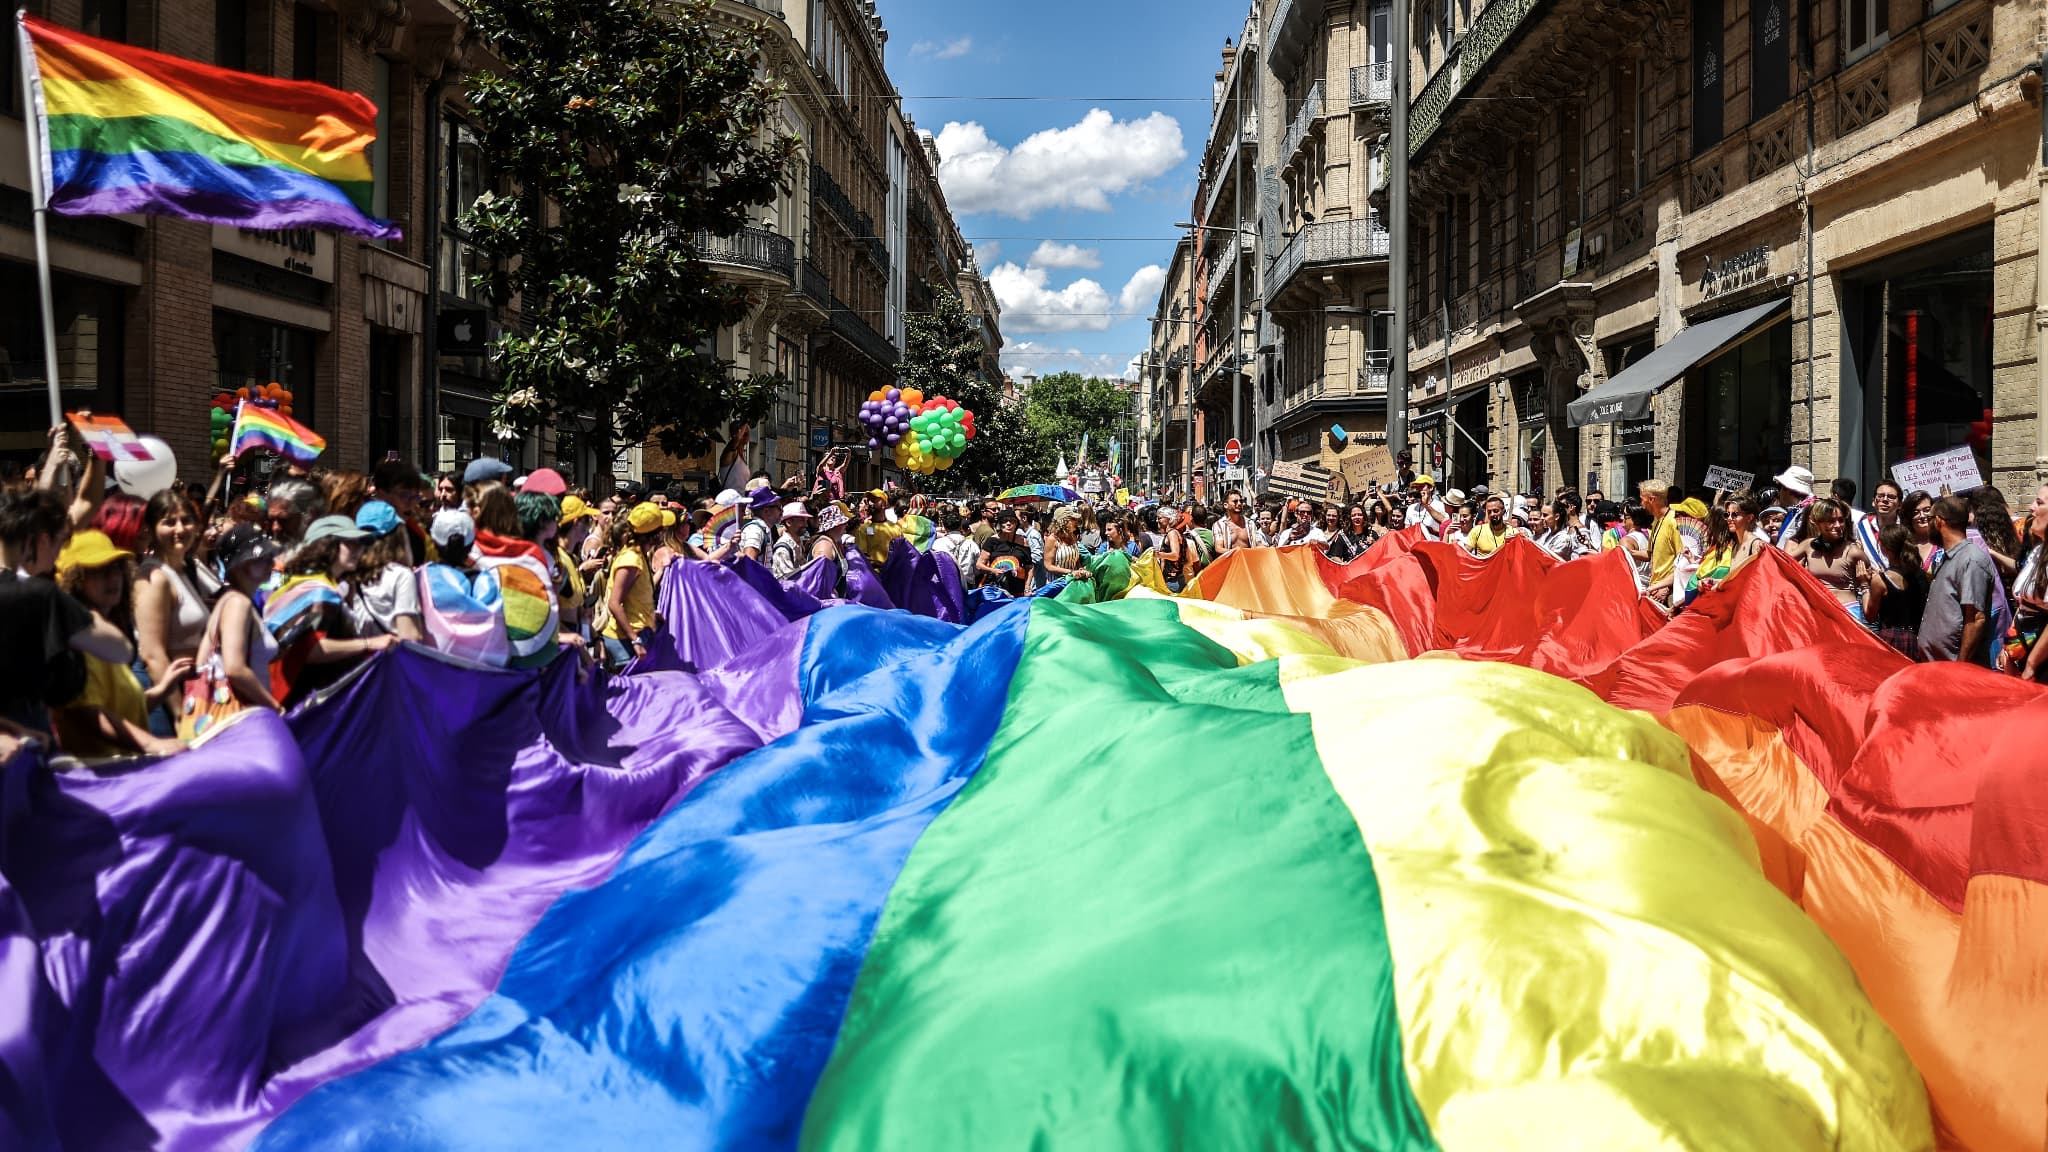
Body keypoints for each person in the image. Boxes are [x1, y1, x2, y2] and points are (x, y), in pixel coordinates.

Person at [0, 489, 134, 738]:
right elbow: (120, 649)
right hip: (23, 739)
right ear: (41, 540)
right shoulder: (40, 596)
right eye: (60, 542)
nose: (58, 556)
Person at [51, 531, 188, 757]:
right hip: (100, 781)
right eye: (98, 570)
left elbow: (122, 709)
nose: (112, 577)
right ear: (74, 579)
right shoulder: (79, 640)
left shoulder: (107, 636)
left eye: (115, 568)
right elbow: (85, 713)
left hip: (123, 774)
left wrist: (162, 690)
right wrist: (150, 744)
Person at [265, 515, 395, 708]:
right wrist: (371, 643)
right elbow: (311, 651)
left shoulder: (297, 583)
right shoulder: (321, 593)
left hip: (289, 697)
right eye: (350, 543)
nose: (359, 550)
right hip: (308, 703)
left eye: (360, 544)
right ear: (327, 545)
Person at [132, 488, 211, 736]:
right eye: (169, 522)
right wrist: (180, 714)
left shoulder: (183, 570)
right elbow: (152, 654)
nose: (180, 529)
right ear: (151, 529)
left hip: (190, 691)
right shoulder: (155, 577)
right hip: (164, 701)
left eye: (186, 520)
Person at [191, 524, 284, 724]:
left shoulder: (232, 600)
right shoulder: (237, 604)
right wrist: (274, 706)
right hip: (240, 720)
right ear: (240, 564)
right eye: (262, 558)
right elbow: (234, 668)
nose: (271, 562)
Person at [1919, 495, 1997, 665]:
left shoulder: (1971, 560)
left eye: (1929, 518)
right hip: (1937, 666)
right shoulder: (1948, 558)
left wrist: (1960, 667)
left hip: (1954, 670)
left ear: (1939, 521)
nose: (1926, 524)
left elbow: (1976, 619)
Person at [599, 502, 668, 668]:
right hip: (626, 642)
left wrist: (651, 613)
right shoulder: (631, 560)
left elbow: (635, 597)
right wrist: (635, 640)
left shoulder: (638, 555)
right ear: (653, 534)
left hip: (640, 632)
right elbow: (614, 603)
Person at [345, 500, 425, 641]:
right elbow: (409, 636)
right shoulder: (401, 575)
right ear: (398, 536)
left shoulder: (350, 574)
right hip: (390, 659)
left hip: (360, 659)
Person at [1784, 498, 1874, 622]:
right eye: (1831, 521)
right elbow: (1781, 563)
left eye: (1841, 520)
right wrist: (1762, 549)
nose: (1837, 526)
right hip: (1818, 611)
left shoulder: (1853, 552)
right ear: (1814, 521)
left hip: (1847, 613)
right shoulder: (1808, 545)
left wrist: (1864, 584)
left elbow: (1872, 579)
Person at [2003, 482, 2048, 680]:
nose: (2031, 507)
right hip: (2022, 648)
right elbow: (2022, 605)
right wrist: (2010, 649)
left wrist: (2031, 664)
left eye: (2039, 502)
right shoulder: (2038, 550)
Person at [1865, 523, 1929, 659]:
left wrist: (1864, 585)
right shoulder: (1920, 575)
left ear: (1885, 549)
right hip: (1915, 639)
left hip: (1891, 639)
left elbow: (1870, 616)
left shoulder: (1881, 581)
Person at [1689, 495, 1768, 601]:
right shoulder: (1735, 545)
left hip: (1745, 606)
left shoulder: (1756, 545)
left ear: (1750, 518)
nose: (1729, 519)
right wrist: (1713, 581)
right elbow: (1734, 581)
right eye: (1727, 514)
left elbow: (1758, 584)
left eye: (1735, 515)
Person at [976, 512, 1032, 596]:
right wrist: (993, 571)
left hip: (1017, 588)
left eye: (1012, 521)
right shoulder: (992, 541)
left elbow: (1029, 567)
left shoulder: (1023, 541)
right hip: (995, 588)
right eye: (1004, 521)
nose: (1008, 524)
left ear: (1016, 524)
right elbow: (979, 565)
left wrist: (1027, 588)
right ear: (999, 524)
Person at [1855, 479, 1904, 569]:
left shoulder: (1905, 528)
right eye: (1880, 496)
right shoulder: (1862, 527)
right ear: (1874, 501)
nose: (1885, 500)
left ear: (1900, 504)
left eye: (1891, 497)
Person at [1539, 493, 1597, 561]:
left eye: (1562, 506)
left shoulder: (1581, 531)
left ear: (1571, 507)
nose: (1559, 509)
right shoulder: (1564, 529)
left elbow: (1585, 557)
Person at [1770, 466, 1816, 546]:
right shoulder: (1796, 511)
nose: (1779, 492)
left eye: (1781, 487)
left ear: (1788, 489)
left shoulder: (1809, 511)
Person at [738, 487, 781, 563]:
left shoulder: (761, 528)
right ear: (766, 511)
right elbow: (749, 561)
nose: (782, 510)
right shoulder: (755, 530)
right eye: (778, 507)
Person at [1618, 505, 1656, 591]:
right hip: (1647, 588)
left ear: (1635, 519)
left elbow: (1623, 571)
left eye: (1625, 515)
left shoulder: (1626, 541)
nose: (1622, 518)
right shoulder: (1648, 538)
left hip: (1633, 590)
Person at [771, 503, 812, 579]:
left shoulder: (798, 544)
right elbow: (789, 581)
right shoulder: (783, 550)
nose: (806, 525)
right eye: (802, 520)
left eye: (806, 520)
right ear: (789, 522)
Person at [1045, 510, 1088, 581]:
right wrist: (1070, 572)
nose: (1076, 521)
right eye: (1073, 519)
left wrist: (1081, 570)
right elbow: (1048, 566)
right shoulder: (1052, 539)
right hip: (1058, 583)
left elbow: (1076, 560)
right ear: (1064, 522)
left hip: (1072, 582)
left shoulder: (1073, 536)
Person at [1903, 490, 1938, 571]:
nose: (1922, 516)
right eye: (1916, 512)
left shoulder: (1944, 541)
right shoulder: (1903, 544)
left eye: (1927, 510)